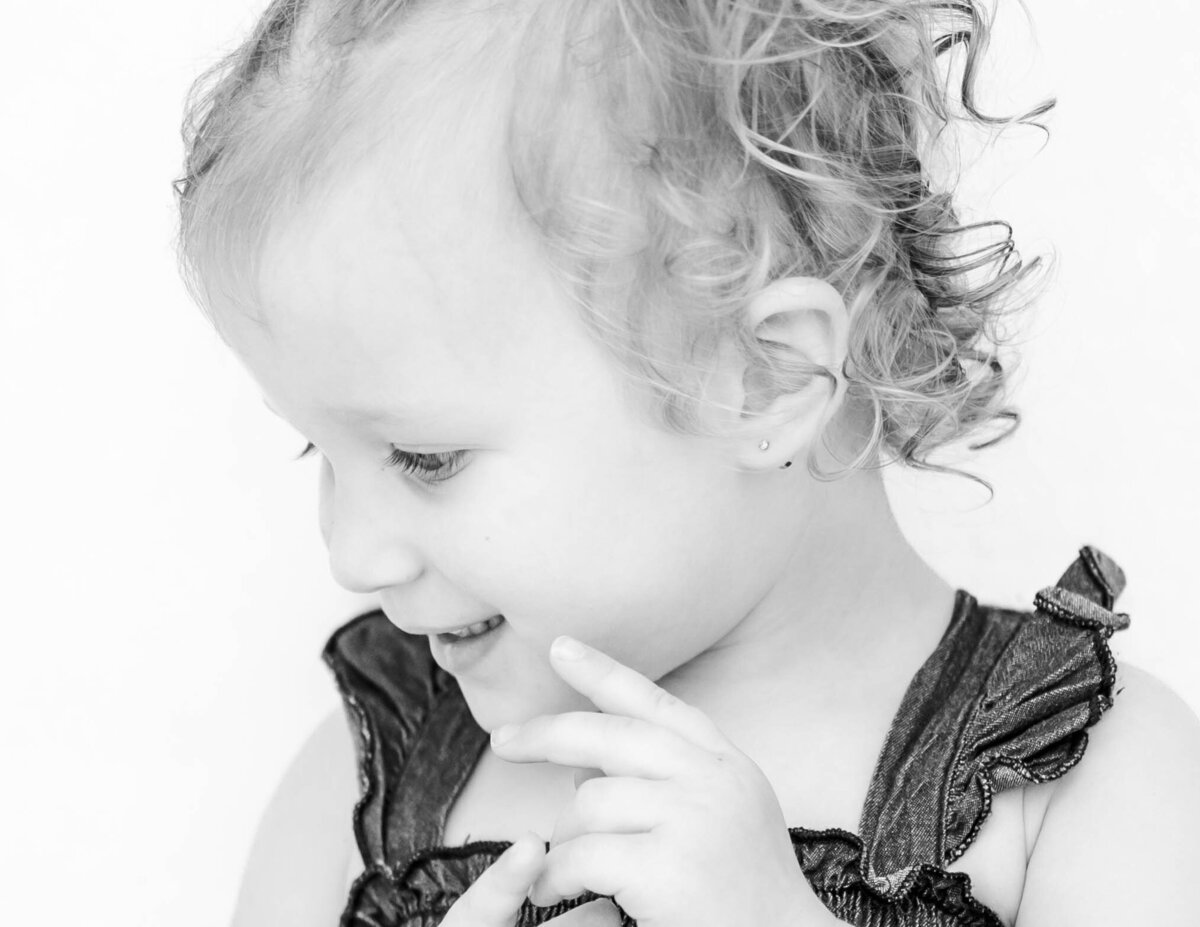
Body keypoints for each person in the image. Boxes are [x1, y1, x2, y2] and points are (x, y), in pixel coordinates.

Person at [173, 1, 1200, 924]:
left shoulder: (1078, 785)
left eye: (422, 455)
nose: (351, 551)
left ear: (762, 380)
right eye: (321, 447)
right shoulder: (369, 783)